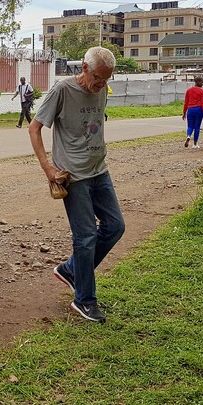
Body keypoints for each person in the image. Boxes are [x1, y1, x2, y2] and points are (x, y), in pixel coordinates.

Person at [28, 46, 125, 323]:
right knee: (85, 237)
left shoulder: (101, 90)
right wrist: (48, 168)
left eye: (107, 80)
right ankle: (84, 299)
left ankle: (72, 270)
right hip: (74, 177)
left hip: (99, 172)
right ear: (84, 68)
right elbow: (34, 129)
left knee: (115, 226)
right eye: (98, 78)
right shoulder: (62, 91)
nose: (102, 85)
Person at [181, 75, 203, 151]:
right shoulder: (201, 91)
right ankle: (195, 144)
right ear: (198, 82)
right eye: (202, 82)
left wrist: (184, 113)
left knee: (190, 126)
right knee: (197, 127)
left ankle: (188, 136)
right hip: (199, 110)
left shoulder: (188, 91)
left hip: (190, 110)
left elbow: (186, 103)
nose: (202, 84)